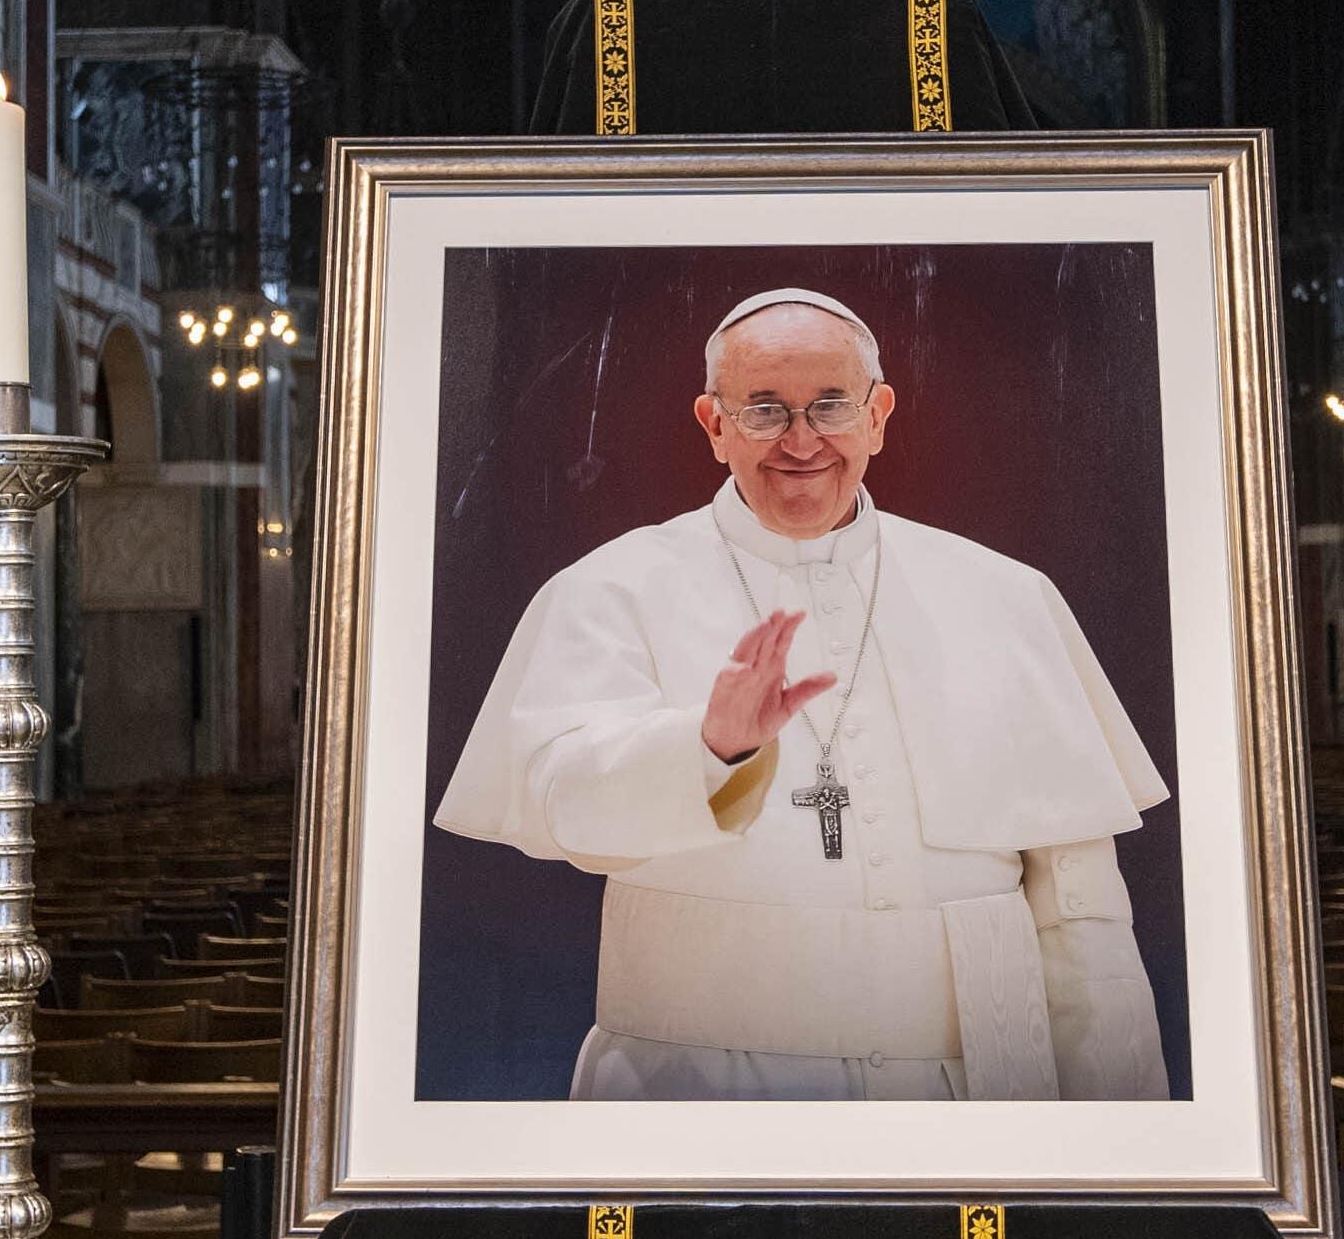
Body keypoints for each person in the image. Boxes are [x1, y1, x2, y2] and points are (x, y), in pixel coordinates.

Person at [433, 284, 1172, 1099]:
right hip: (699, 1093)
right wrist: (707, 750)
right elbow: (561, 808)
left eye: (829, 406)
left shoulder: (1005, 596)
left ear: (878, 416)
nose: (800, 440)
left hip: (971, 1096)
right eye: (763, 410)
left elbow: (1081, 913)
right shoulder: (610, 589)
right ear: (713, 426)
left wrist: (1120, 1140)